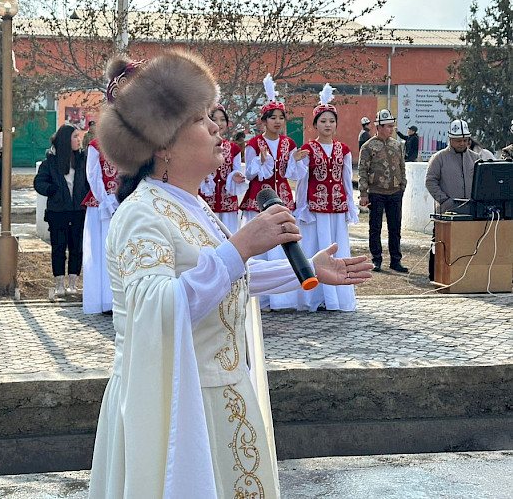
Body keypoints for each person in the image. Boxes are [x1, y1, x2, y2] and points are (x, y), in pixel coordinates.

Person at [87, 50, 372, 498]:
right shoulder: (142, 214)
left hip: (220, 397)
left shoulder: (192, 204)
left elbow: (225, 278)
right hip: (174, 406)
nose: (218, 127)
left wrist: (302, 272)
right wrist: (240, 246)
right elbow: (158, 309)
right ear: (162, 145)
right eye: (201, 120)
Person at [286, 84, 359, 311]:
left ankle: (337, 298)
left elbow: (346, 179)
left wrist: (350, 205)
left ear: (336, 124)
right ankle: (313, 298)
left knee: (338, 250)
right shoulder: (308, 148)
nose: (328, 125)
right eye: (323, 121)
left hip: (336, 208)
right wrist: (295, 160)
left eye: (331, 121)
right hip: (315, 208)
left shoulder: (343, 149)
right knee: (315, 249)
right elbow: (298, 177)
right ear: (315, 124)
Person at [239, 74, 298, 310]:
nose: (277, 121)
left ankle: (283, 299)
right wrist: (262, 162)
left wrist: (298, 161)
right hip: (258, 199)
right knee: (260, 246)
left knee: (282, 244)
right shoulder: (254, 145)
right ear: (263, 120)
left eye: (281, 117)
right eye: (272, 117)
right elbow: (250, 176)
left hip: (282, 196)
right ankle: (259, 300)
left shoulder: (289, 144)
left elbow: (293, 174)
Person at [34, 124, 88, 296]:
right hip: (58, 212)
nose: (79, 140)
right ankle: (59, 284)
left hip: (79, 211)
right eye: (75, 137)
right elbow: (39, 182)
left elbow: (90, 181)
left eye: (79, 137)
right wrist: (52, 190)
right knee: (58, 248)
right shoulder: (50, 161)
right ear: (65, 140)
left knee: (77, 248)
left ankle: (74, 283)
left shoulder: (83, 160)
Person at [425, 119, 480, 282]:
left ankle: (466, 277)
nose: (462, 144)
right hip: (447, 212)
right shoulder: (439, 158)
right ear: (450, 139)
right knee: (440, 246)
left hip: (470, 213)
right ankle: (436, 276)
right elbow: (430, 181)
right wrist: (445, 201)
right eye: (459, 141)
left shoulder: (476, 158)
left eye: (465, 140)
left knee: (469, 246)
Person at [358, 109, 408, 273]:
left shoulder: (398, 145)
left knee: (395, 227)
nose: (391, 129)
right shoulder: (368, 147)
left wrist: (402, 186)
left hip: (395, 192)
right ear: (378, 126)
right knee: (375, 227)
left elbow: (402, 167)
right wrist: (363, 193)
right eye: (388, 126)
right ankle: (376, 259)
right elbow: (363, 171)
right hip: (376, 192)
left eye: (392, 126)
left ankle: (396, 260)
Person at [81, 135, 118, 314]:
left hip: (124, 203)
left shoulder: (133, 142)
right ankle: (103, 301)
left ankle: (119, 300)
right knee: (100, 253)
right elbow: (92, 174)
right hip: (101, 206)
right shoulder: (96, 145)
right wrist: (106, 200)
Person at [198, 104, 246, 234]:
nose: (219, 123)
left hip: (228, 204)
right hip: (206, 203)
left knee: (229, 236)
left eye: (222, 119)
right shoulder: (199, 146)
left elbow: (235, 169)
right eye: (214, 119)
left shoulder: (234, 149)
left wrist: (236, 176)